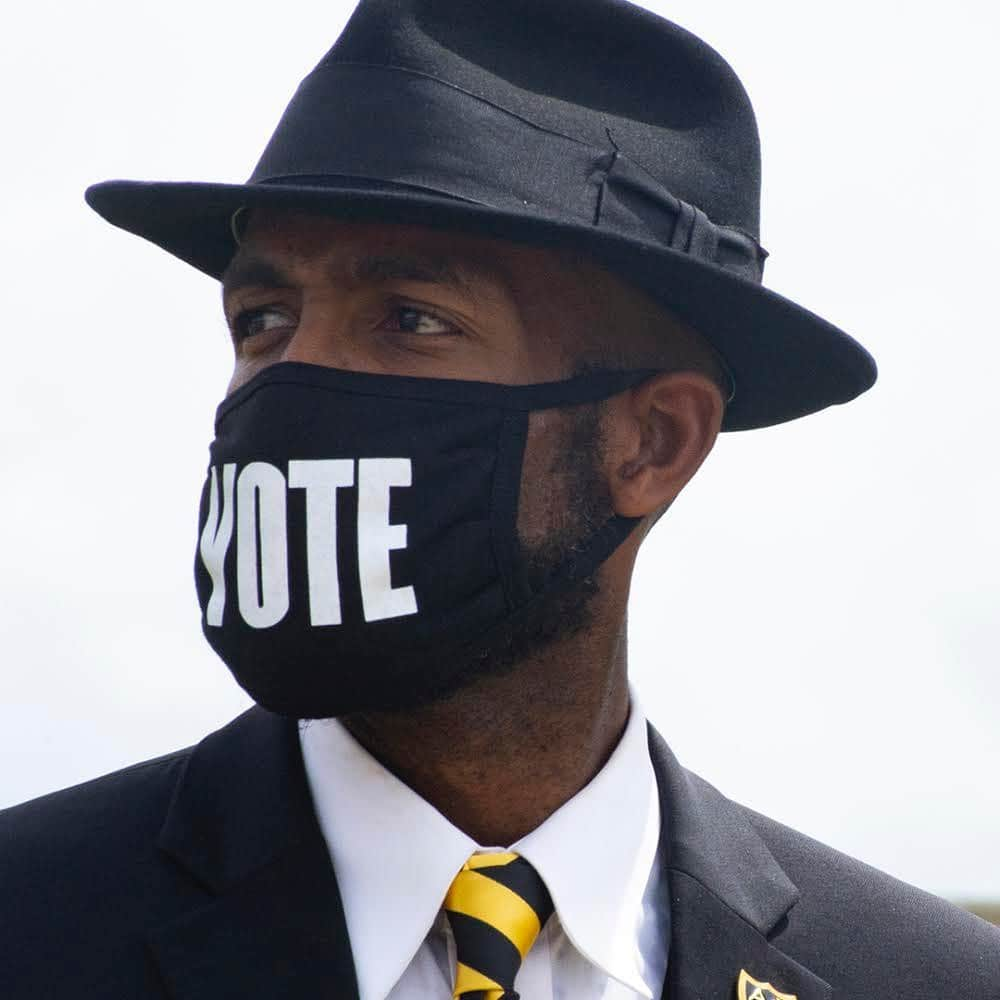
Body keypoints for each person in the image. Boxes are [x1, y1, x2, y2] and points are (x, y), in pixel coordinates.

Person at [2, 1, 997, 998]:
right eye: (261, 319)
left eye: (412, 319)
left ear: (653, 442)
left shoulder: (926, 979)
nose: (291, 383)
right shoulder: (32, 923)